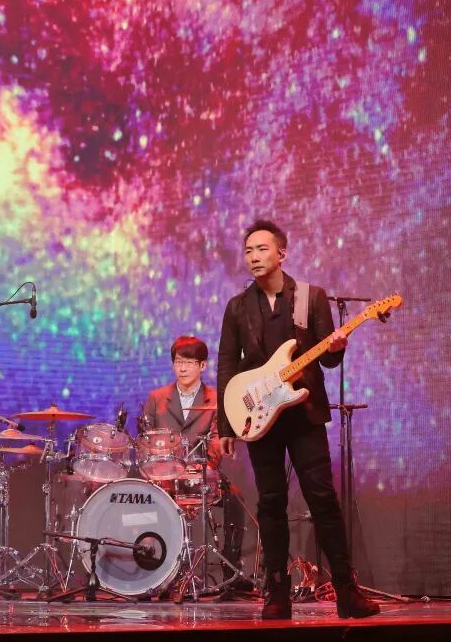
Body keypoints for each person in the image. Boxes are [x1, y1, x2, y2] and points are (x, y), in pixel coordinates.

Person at [217, 219, 379, 619]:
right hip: (260, 417)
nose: (254, 257)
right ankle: (277, 594)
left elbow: (328, 360)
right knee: (270, 503)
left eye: (262, 249)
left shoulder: (311, 297)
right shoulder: (237, 306)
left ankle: (346, 592)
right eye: (248, 251)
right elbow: (226, 366)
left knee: (322, 499)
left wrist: (336, 347)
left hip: (304, 414)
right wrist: (227, 425)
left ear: (282, 253)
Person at [140, 335, 246, 595]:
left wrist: (203, 465)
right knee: (144, 497)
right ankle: (157, 571)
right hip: (164, 476)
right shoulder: (157, 397)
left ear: (202, 366)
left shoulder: (216, 398)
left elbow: (219, 437)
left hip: (201, 473)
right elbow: (145, 437)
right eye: (178, 362)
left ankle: (230, 570)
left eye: (189, 362)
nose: (183, 368)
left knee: (235, 498)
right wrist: (161, 465)